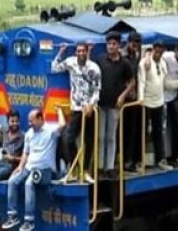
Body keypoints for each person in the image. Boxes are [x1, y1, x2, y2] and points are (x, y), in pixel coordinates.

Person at [2, 108, 65, 231]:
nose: (30, 124)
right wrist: (20, 167)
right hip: (29, 167)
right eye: (29, 121)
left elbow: (63, 125)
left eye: (32, 121)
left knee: (28, 184)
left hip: (44, 170)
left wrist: (59, 110)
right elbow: (26, 153)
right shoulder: (29, 134)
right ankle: (12, 215)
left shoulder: (50, 131)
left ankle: (29, 221)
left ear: (40, 119)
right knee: (12, 181)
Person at [50, 41, 101, 182]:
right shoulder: (70, 62)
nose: (81, 53)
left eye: (83, 51)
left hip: (90, 110)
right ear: (76, 52)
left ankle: (85, 172)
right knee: (67, 138)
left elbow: (97, 90)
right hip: (76, 109)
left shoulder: (94, 68)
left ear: (87, 52)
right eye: (78, 51)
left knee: (89, 140)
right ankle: (73, 169)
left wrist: (91, 105)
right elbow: (54, 68)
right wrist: (61, 51)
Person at [96, 31, 134, 176]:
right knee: (100, 136)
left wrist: (123, 96)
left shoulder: (125, 63)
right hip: (100, 104)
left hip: (114, 105)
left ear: (119, 45)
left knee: (111, 136)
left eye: (113, 44)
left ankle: (110, 167)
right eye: (108, 44)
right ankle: (100, 166)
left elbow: (132, 82)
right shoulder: (100, 60)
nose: (110, 47)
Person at [138, 41, 173, 171]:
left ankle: (160, 160)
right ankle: (140, 161)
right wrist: (141, 98)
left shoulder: (163, 63)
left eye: (160, 52)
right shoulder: (144, 63)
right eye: (156, 52)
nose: (158, 54)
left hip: (159, 101)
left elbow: (163, 82)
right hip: (146, 102)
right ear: (152, 50)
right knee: (143, 132)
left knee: (158, 132)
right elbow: (141, 81)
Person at [162, 40, 178, 166]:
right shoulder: (166, 58)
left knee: (177, 126)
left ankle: (177, 154)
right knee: (163, 128)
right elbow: (164, 83)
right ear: (175, 50)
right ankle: (163, 157)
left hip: (173, 97)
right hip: (162, 98)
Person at [120, 31, 143, 172]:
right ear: (129, 42)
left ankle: (133, 160)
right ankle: (125, 161)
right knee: (125, 132)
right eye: (134, 43)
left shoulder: (136, 56)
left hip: (135, 99)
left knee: (134, 130)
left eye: (137, 44)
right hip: (124, 99)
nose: (135, 46)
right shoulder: (122, 57)